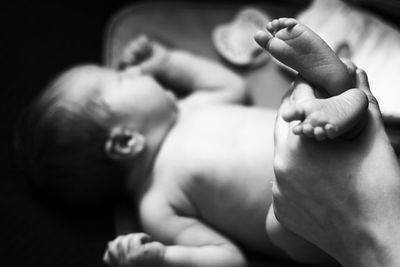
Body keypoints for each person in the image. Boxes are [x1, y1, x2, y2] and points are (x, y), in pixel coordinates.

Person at [16, 17, 361, 267]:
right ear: (125, 142)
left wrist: (169, 63)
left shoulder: (185, 109)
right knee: (285, 229)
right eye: (122, 79)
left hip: (335, 145)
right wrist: (164, 257)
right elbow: (227, 258)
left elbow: (230, 87)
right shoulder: (158, 203)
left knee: (339, 115)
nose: (135, 71)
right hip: (322, 224)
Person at [267, 50, 400, 267]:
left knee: (335, 133)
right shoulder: (187, 208)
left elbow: (229, 85)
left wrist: (188, 64)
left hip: (314, 190)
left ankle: (336, 93)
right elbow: (227, 257)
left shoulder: (193, 106)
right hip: (299, 222)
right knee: (279, 228)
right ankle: (343, 94)